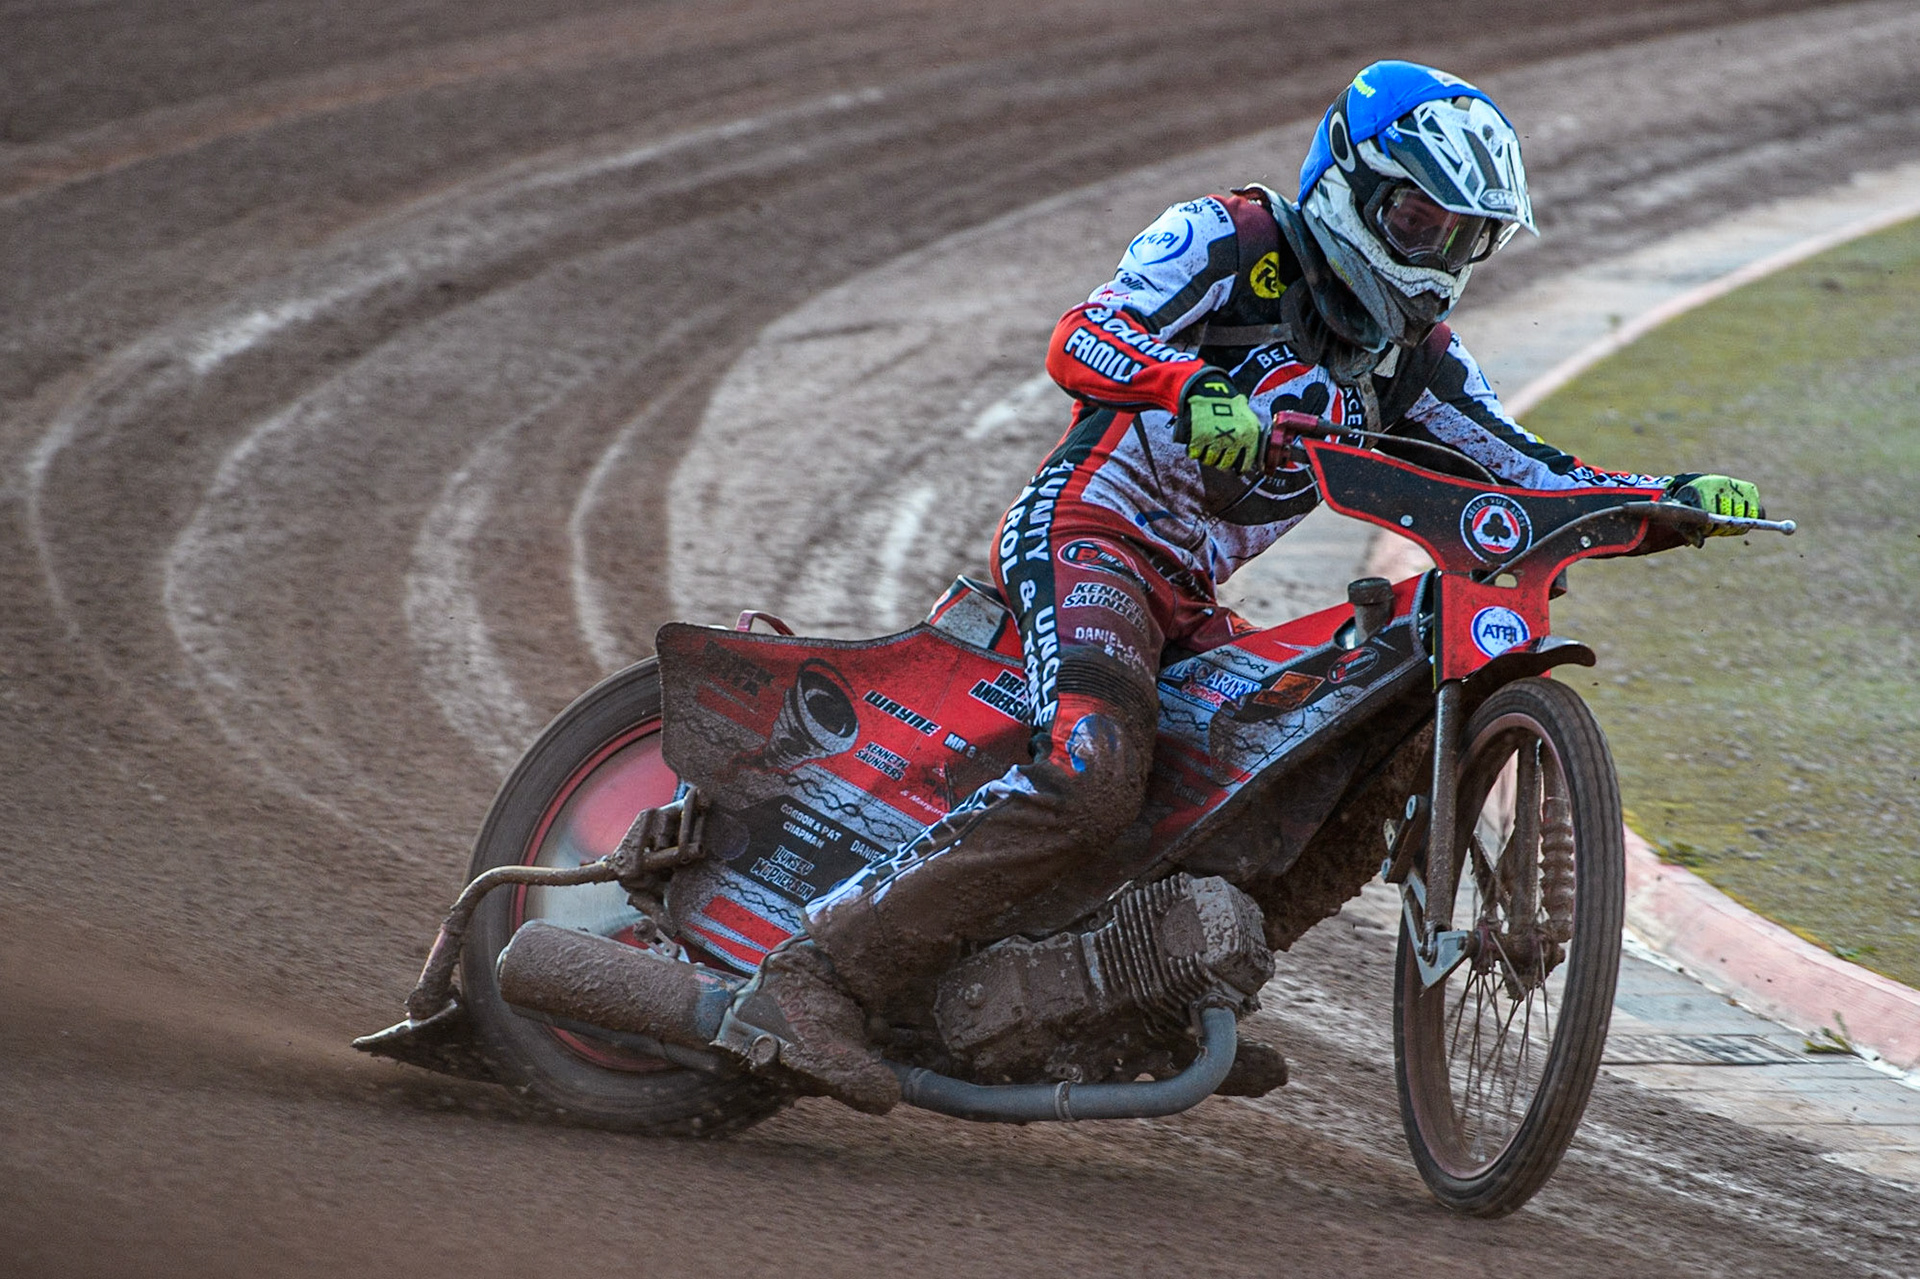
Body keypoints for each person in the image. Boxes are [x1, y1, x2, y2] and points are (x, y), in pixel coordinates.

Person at [716, 61, 1764, 1112]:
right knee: (1093, 770)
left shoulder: (1411, 358)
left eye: (1459, 236)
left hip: (1193, 597)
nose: (1433, 259)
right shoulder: (1228, 239)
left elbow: (1527, 466)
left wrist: (1662, 498)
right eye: (1413, 218)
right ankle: (814, 977)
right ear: (1345, 182)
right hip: (1090, 535)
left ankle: (1142, 996)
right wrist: (1186, 382)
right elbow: (1082, 335)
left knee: (1319, 773)